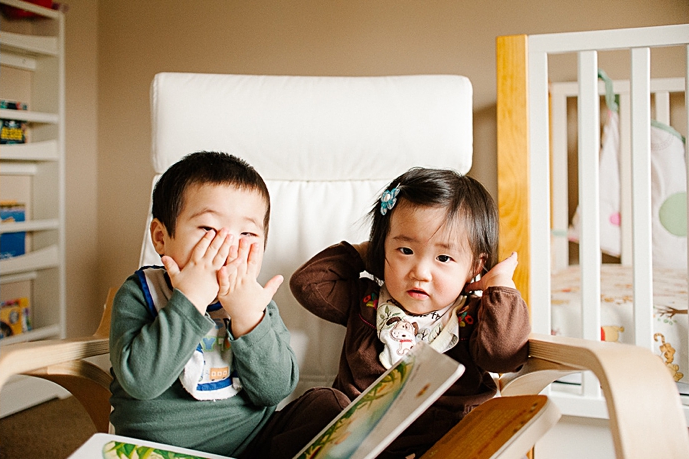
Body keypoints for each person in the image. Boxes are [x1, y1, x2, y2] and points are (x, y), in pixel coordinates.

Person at [109, 151, 348, 458]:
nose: (229, 245)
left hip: (251, 445)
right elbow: (141, 383)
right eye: (209, 229)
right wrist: (190, 300)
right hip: (159, 451)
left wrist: (249, 319)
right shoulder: (140, 294)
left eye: (247, 233)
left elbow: (274, 391)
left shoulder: (254, 302)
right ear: (160, 237)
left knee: (327, 407)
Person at [290, 167, 530, 459]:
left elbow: (505, 354)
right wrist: (368, 253)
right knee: (320, 406)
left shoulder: (475, 315)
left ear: (475, 266)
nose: (420, 272)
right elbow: (308, 284)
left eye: (443, 258)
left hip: (445, 437)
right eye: (405, 250)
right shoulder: (367, 300)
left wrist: (500, 285)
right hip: (360, 433)